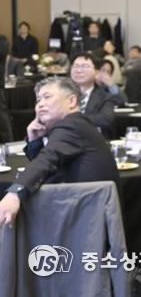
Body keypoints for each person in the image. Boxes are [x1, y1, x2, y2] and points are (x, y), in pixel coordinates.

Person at [0, 77, 119, 227]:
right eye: (38, 100)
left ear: (71, 101)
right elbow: (50, 166)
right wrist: (35, 141)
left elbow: (46, 160)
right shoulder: (76, 124)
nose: (40, 104)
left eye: (47, 97)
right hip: (87, 213)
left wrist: (15, 193)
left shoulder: (71, 126)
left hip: (83, 220)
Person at [70, 52, 118, 134]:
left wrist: (74, 120)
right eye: (75, 66)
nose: (79, 70)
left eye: (84, 66)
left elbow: (105, 119)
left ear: (96, 72)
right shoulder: (62, 94)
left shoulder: (105, 97)